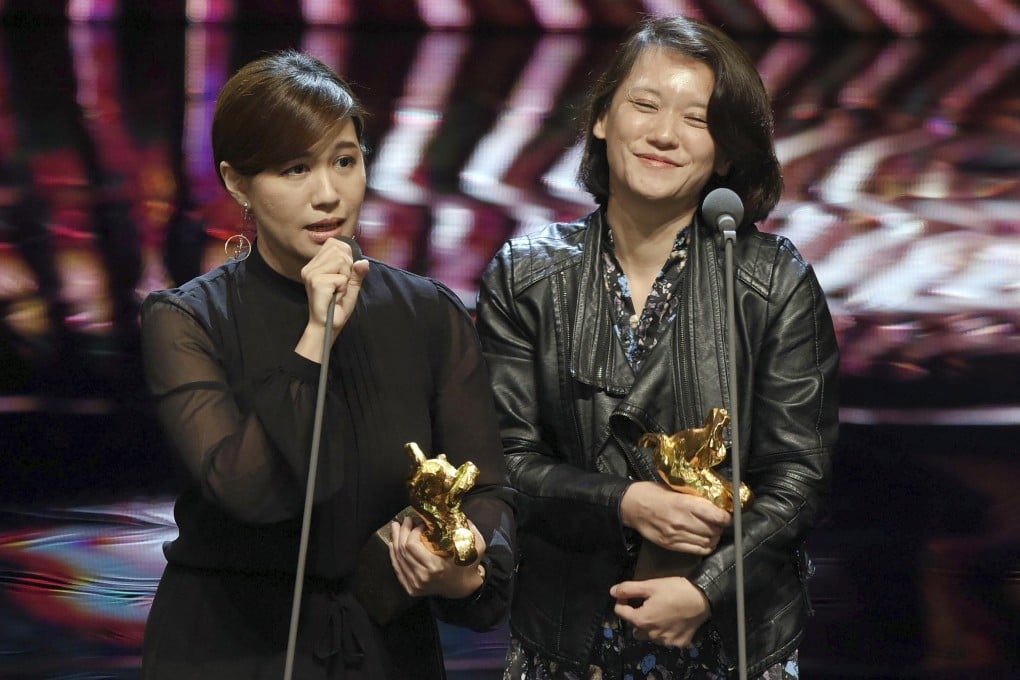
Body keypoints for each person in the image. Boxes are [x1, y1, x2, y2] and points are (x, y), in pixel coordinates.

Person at [476, 16, 839, 680]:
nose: (664, 134)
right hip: (566, 631)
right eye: (645, 104)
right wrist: (625, 501)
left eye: (697, 120)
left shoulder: (774, 280)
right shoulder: (525, 273)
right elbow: (506, 462)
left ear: (726, 153)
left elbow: (799, 478)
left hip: (733, 637)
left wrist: (709, 586)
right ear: (603, 119)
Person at [139, 50, 515, 679]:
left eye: (345, 161)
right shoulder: (186, 319)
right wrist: (316, 335)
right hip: (230, 650)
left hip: (385, 648)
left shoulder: (428, 313)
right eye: (295, 169)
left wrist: (465, 559)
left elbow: (489, 487)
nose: (328, 194)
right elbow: (248, 490)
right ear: (237, 184)